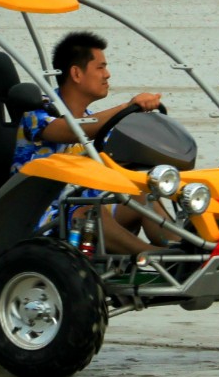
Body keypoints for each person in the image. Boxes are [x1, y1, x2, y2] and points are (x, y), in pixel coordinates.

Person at [14, 31, 166, 253]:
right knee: (91, 211)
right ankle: (155, 257)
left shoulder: (95, 121)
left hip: (87, 210)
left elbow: (118, 159)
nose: (108, 74)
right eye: (100, 67)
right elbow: (71, 130)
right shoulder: (37, 112)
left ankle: (188, 253)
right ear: (76, 73)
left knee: (142, 196)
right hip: (41, 218)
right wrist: (127, 107)